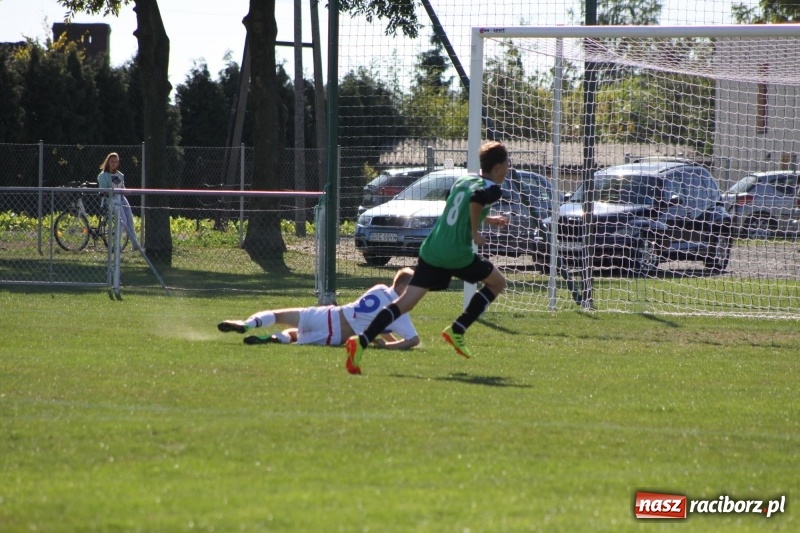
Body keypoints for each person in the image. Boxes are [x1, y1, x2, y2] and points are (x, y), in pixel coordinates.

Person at [344, 140, 510, 375]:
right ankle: (458, 329)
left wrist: (488, 219)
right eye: (507, 165)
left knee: (404, 303)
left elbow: (456, 201)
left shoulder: (464, 179)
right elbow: (476, 199)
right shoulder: (493, 189)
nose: (508, 169)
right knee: (498, 283)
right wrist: (474, 231)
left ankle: (361, 342)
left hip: (432, 249)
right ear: (497, 167)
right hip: (456, 254)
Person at [218, 267, 420, 352]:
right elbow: (414, 340)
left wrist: (383, 339)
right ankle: (273, 339)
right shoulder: (399, 309)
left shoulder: (378, 288)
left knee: (279, 316)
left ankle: (247, 324)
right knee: (296, 336)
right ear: (403, 288)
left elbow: (375, 324)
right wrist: (388, 346)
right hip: (335, 336)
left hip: (329, 314)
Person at [97, 152, 142, 251]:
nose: (114, 164)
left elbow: (122, 187)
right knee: (122, 220)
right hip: (111, 199)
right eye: (112, 161)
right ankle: (116, 245)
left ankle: (135, 244)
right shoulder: (103, 175)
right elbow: (103, 191)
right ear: (108, 162)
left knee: (129, 219)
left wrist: (126, 191)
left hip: (121, 198)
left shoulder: (120, 175)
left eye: (116, 162)